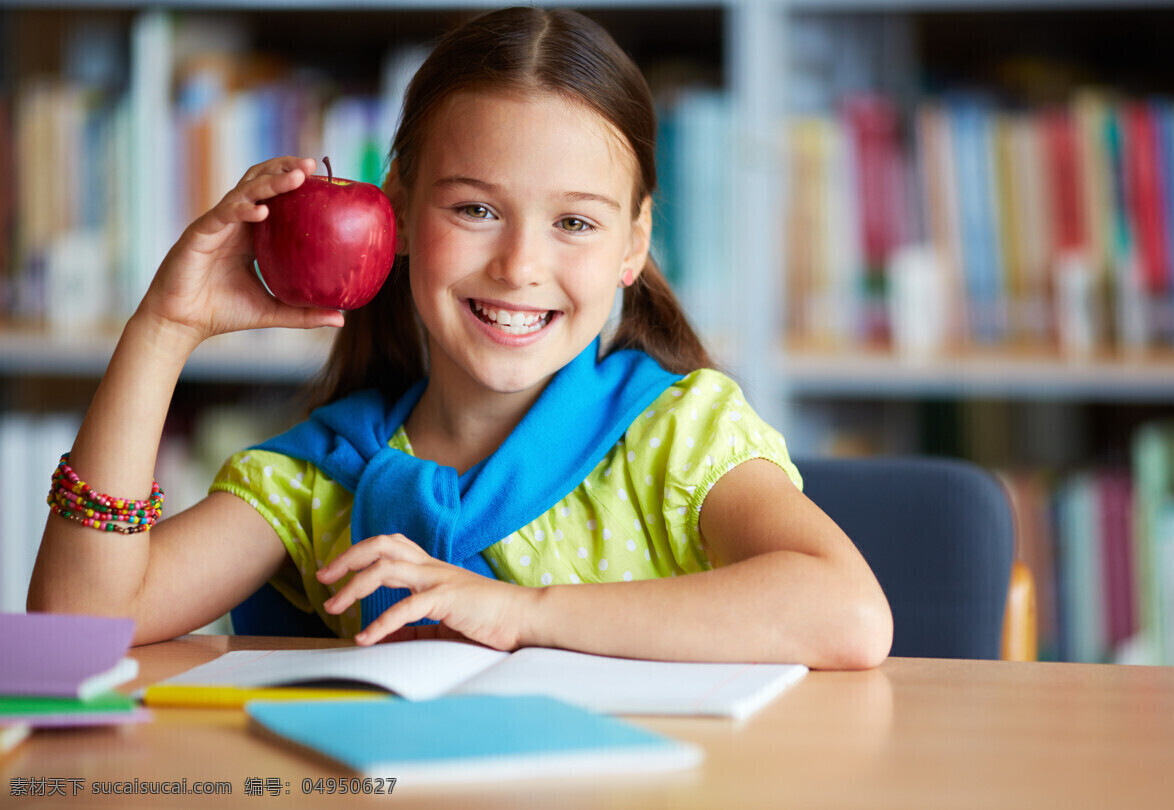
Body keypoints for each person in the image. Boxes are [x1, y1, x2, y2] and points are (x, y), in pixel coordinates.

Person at [28, 6, 891, 669]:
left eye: (575, 223)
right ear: (397, 212)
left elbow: (847, 614)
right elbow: (78, 631)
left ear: (634, 245)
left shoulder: (676, 437)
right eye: (476, 209)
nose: (520, 264)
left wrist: (524, 614)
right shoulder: (320, 479)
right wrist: (164, 328)